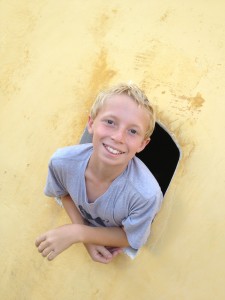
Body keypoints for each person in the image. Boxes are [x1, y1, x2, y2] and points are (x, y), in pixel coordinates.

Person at [35, 83, 163, 264]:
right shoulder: (62, 162)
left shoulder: (145, 194)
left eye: (133, 131)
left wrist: (77, 233)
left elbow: (131, 237)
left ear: (142, 144)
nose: (118, 137)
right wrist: (85, 236)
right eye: (110, 122)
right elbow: (63, 191)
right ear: (91, 123)